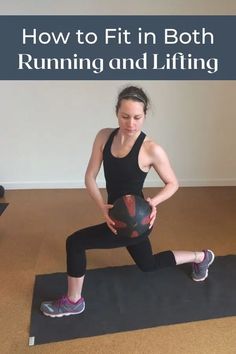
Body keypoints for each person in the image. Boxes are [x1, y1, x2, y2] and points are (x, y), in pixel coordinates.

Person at [40, 85, 215, 318]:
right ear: (116, 113)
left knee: (75, 243)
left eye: (137, 117)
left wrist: (154, 202)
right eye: (125, 116)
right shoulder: (104, 136)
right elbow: (89, 176)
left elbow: (173, 183)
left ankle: (73, 301)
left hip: (136, 221)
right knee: (148, 264)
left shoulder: (151, 149)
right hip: (116, 216)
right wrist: (102, 207)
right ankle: (202, 257)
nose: (131, 123)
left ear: (145, 115)